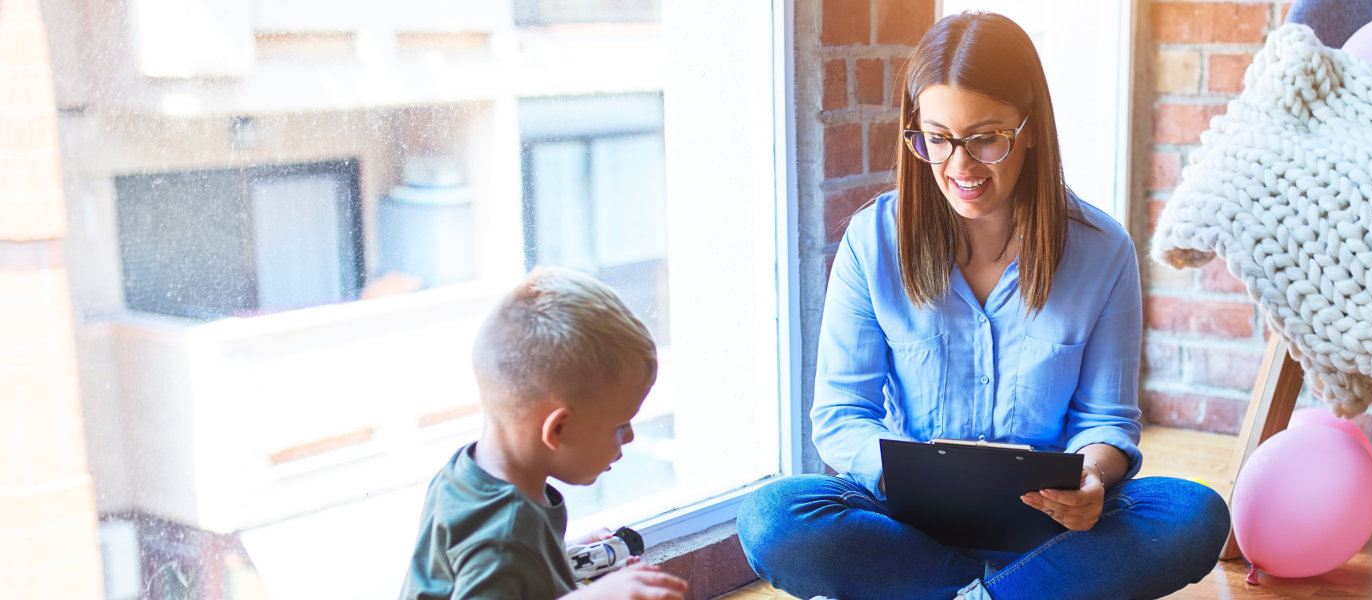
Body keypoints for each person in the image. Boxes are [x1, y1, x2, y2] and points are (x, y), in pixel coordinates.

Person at [737, 12, 1230, 600]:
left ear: (1033, 130)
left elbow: (1106, 420)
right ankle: (1007, 594)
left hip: (1049, 527)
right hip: (907, 521)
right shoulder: (873, 242)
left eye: (986, 137)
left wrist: (1093, 479)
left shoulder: (1102, 251)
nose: (959, 165)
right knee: (771, 518)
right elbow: (842, 414)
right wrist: (911, 478)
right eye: (937, 138)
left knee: (1194, 514)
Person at [401, 267, 689, 600]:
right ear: (558, 429)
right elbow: (502, 553)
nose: (630, 438)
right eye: (620, 425)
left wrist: (561, 558)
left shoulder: (464, 475)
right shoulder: (505, 534)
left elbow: (507, 571)